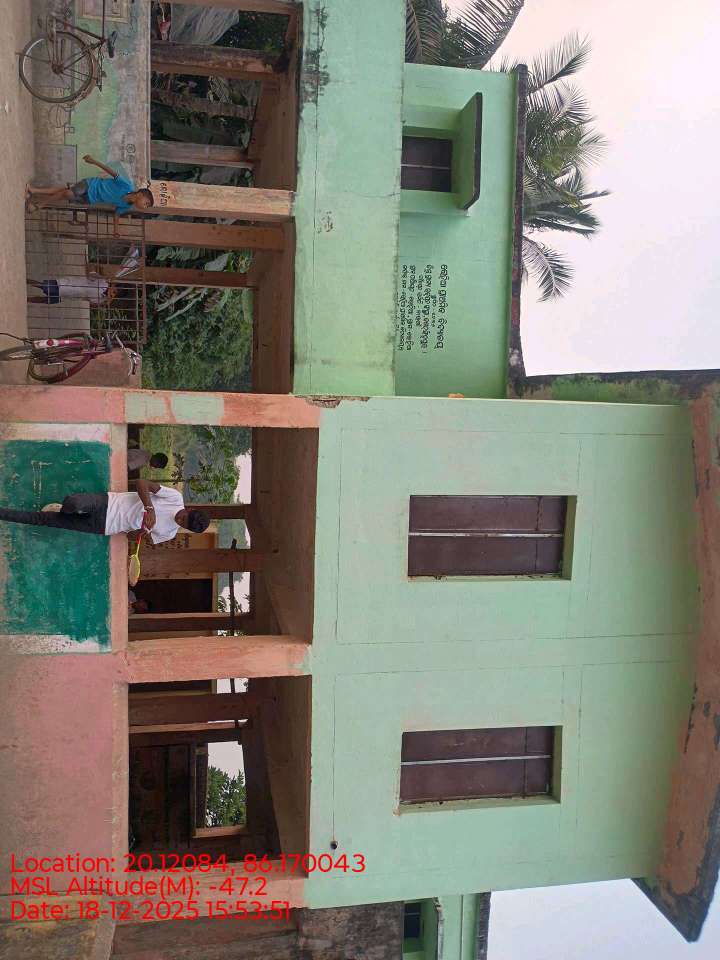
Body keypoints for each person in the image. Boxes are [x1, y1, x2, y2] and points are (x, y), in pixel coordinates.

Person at [0, 480, 209, 543]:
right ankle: (66, 509)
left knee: (44, 520)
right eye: (184, 517)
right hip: (107, 503)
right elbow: (142, 483)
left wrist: (142, 532)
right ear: (190, 509)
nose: (179, 520)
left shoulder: (169, 534)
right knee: (73, 502)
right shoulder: (174, 498)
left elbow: (131, 537)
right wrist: (149, 508)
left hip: (104, 526)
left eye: (183, 524)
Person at [26, 155, 154, 215]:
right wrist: (94, 161)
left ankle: (34, 191)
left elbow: (117, 214)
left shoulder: (126, 206)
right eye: (146, 203)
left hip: (90, 199)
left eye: (146, 206)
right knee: (68, 193)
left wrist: (116, 230)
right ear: (140, 194)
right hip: (90, 185)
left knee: (64, 192)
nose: (145, 206)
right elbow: (112, 172)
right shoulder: (127, 186)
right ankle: (39, 205)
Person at [27, 275, 117, 307]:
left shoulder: (101, 298)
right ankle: (26, 281)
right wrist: (104, 278)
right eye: (113, 291)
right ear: (112, 287)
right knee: (42, 285)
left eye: (113, 295)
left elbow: (92, 303)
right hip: (66, 285)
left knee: (45, 300)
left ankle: (26, 300)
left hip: (67, 296)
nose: (111, 294)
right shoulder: (103, 282)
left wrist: (106, 301)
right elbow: (92, 274)